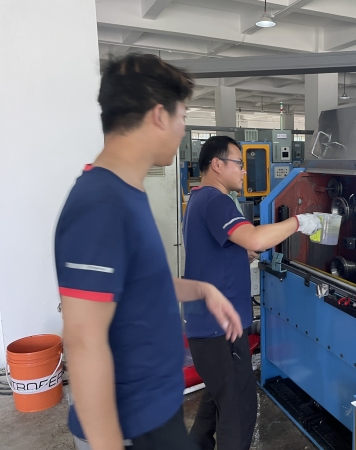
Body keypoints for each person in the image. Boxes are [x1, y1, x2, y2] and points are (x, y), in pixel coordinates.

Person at [54, 54, 243, 450]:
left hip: (156, 409)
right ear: (159, 116)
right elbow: (83, 340)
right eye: (182, 116)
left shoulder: (128, 193)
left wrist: (202, 290)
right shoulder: (99, 204)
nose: (182, 128)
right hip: (129, 427)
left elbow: (138, 283)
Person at [182, 135, 322, 450]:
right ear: (217, 165)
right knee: (239, 410)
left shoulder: (198, 198)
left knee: (217, 397)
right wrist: (300, 222)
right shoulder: (216, 200)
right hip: (220, 328)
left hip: (207, 325)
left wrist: (238, 252)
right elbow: (256, 238)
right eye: (238, 163)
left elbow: (218, 247)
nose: (244, 171)